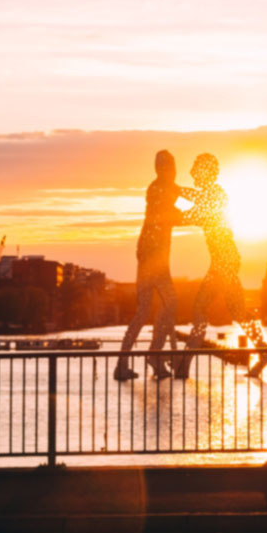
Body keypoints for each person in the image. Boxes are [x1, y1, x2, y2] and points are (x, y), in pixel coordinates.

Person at [174, 153, 267, 379]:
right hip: (224, 260)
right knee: (238, 311)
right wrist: (176, 194)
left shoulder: (215, 194)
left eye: (196, 170)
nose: (192, 173)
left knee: (200, 308)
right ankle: (264, 350)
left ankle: (184, 365)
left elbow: (192, 213)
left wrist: (173, 195)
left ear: (205, 172)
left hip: (223, 261)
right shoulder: (210, 194)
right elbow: (194, 202)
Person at [114, 150, 194, 381]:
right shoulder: (159, 189)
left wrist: (207, 200)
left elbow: (187, 195)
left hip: (151, 256)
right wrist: (206, 214)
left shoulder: (164, 187)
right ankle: (153, 355)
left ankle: (126, 363)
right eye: (171, 167)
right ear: (162, 169)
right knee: (169, 303)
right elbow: (175, 215)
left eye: (174, 167)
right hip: (153, 257)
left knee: (145, 311)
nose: (174, 172)